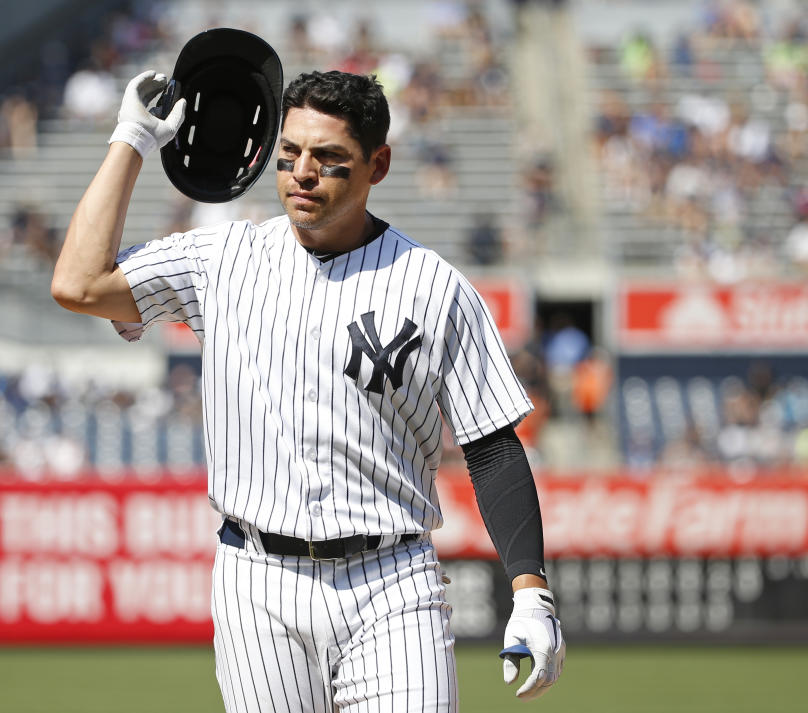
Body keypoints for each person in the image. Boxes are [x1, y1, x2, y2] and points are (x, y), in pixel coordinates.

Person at [51, 68, 564, 712]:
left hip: (392, 580)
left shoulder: (435, 286)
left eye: (328, 158)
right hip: (256, 581)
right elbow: (78, 283)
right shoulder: (223, 258)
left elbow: (491, 447)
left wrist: (530, 592)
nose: (302, 172)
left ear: (378, 164)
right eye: (290, 154)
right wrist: (131, 138)